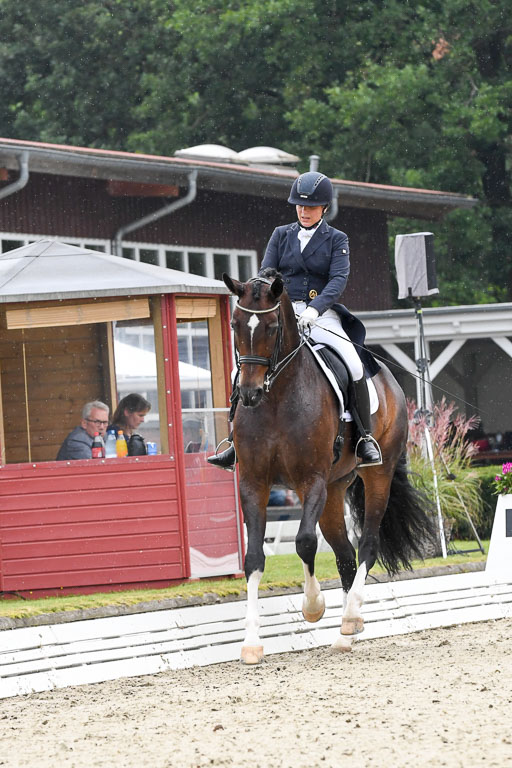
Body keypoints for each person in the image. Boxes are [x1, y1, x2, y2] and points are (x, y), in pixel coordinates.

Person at [208, 170, 382, 471]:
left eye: (310, 207)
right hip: (281, 312)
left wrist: (314, 310)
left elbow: (338, 279)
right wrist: (266, 298)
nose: (303, 211)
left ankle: (364, 438)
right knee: (250, 363)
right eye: (299, 206)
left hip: (320, 313)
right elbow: (266, 273)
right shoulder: (281, 234)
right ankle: (235, 441)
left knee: (353, 364)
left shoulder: (337, 239)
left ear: (324, 208)